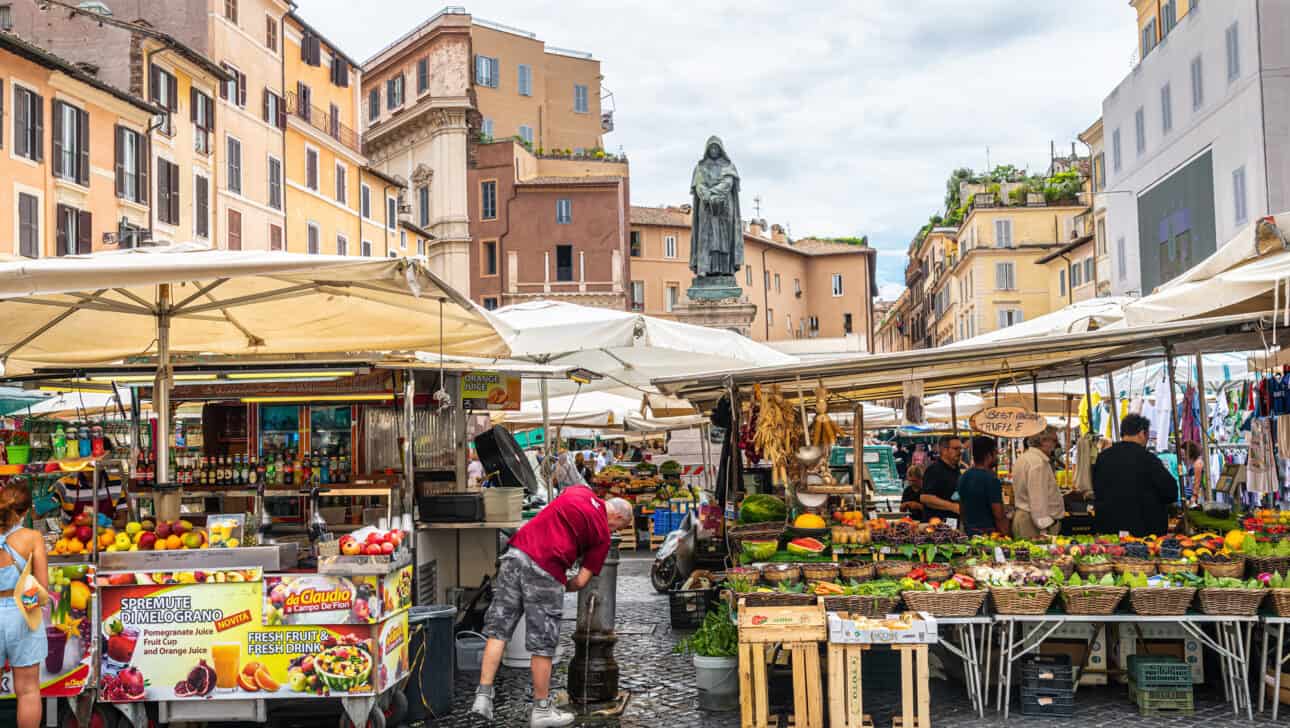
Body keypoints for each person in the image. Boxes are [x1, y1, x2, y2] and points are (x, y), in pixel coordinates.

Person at [471, 454, 633, 727]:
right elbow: (582, 581)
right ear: (616, 516)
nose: (615, 530)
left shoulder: (581, 491)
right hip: (547, 570)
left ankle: (483, 696)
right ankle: (542, 710)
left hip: (515, 554)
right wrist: (562, 583)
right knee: (542, 643)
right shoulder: (603, 537)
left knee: (498, 630)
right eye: (620, 526)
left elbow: (560, 475)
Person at [0, 482, 48, 728]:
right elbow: (42, 585)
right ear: (27, 511)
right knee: (28, 691)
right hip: (22, 612)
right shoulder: (32, 537)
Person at [1093, 414, 1179, 537]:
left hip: (1109, 530)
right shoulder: (1149, 459)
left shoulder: (1103, 458)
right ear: (1142, 433)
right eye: (1147, 435)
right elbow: (1171, 492)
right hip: (1143, 533)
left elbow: (1097, 489)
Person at [1011, 426, 1064, 538]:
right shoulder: (1038, 463)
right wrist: (1047, 525)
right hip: (1033, 525)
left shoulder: (1025, 458)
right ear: (1043, 441)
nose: (1056, 444)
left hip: (1028, 519)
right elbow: (1038, 500)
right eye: (1054, 440)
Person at [957, 436, 1009, 536]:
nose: (997, 456)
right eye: (995, 453)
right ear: (989, 455)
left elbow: (961, 508)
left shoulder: (964, 476)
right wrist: (1006, 535)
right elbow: (998, 515)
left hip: (969, 533)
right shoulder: (991, 479)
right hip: (989, 535)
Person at [919, 435, 963, 521]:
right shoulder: (934, 470)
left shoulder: (955, 469)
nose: (960, 452)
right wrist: (953, 506)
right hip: (936, 525)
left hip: (952, 523)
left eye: (960, 449)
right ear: (944, 450)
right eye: (956, 449)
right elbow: (925, 498)